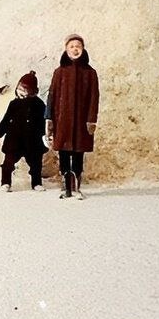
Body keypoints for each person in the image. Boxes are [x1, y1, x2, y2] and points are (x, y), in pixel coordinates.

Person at [46, 34, 99, 199]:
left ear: (83, 49)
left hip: (81, 121)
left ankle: (76, 187)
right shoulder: (60, 72)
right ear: (66, 49)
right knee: (63, 152)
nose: (75, 49)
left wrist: (91, 119)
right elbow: (52, 96)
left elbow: (94, 97)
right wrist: (49, 118)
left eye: (78, 46)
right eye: (72, 46)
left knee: (78, 152)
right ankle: (65, 186)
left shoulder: (90, 73)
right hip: (62, 121)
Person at [0, 71, 47, 192]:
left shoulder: (39, 105)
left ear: (33, 91)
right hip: (14, 139)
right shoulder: (14, 104)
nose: (21, 92)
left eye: (25, 90)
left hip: (33, 140)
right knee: (8, 162)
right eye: (19, 89)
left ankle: (36, 182)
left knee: (36, 163)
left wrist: (45, 135)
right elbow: (6, 121)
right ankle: (5, 182)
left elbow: (43, 122)